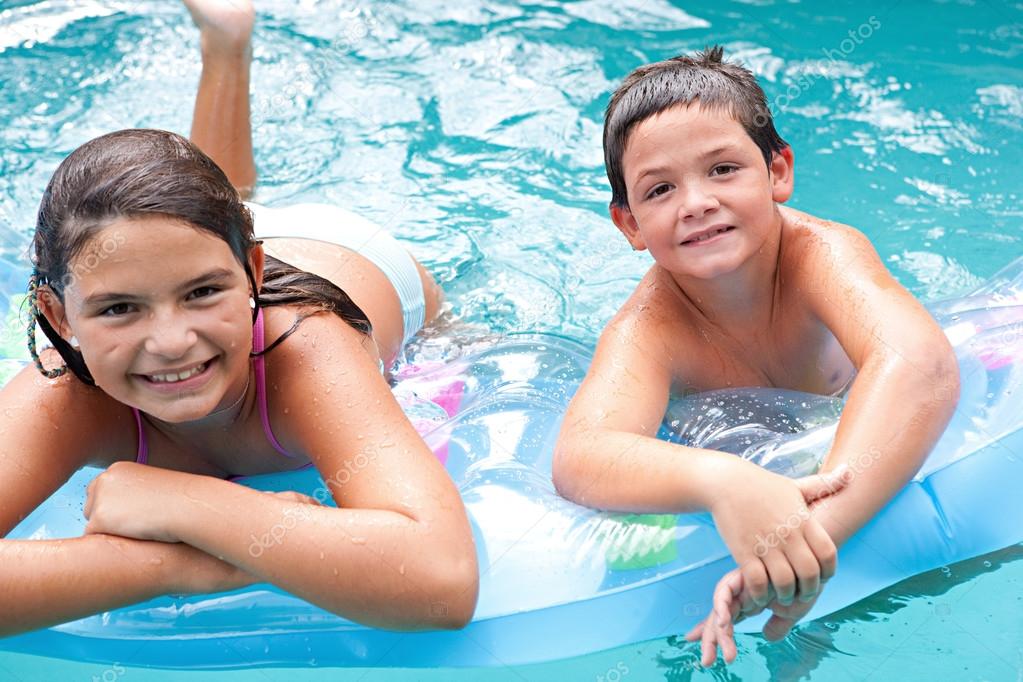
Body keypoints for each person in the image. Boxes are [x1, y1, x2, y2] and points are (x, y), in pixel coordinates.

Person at [0, 0, 477, 637]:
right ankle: (226, 43)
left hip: (352, 256)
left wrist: (186, 502)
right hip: (203, 248)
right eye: (118, 309)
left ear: (253, 274)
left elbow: (442, 579)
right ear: (57, 314)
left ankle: (227, 69)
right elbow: (191, 264)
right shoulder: (66, 393)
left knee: (215, 217)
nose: (171, 343)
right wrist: (163, 567)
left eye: (202, 295)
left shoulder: (307, 350)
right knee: (203, 220)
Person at [552, 46, 960, 666]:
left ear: (777, 172)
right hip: (728, 445)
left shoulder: (822, 255)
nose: (696, 203)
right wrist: (725, 482)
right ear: (629, 224)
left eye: (722, 169)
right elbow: (582, 456)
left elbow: (920, 366)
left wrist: (806, 539)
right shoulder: (647, 328)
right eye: (659, 189)